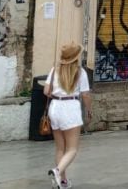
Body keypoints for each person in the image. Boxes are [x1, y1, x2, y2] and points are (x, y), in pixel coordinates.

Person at [44, 43, 91, 189]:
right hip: (70, 108)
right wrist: (89, 110)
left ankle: (62, 182)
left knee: (60, 148)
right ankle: (57, 171)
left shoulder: (54, 70)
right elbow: (85, 94)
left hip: (55, 107)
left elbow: (46, 91)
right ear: (76, 57)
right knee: (72, 149)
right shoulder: (80, 72)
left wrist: (58, 94)